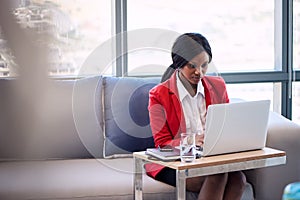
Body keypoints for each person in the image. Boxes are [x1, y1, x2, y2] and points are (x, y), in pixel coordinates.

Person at [145, 33, 246, 200]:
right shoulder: (159, 95)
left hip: (210, 158)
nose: (199, 72)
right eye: (192, 66)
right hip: (173, 162)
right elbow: (162, 143)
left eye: (204, 65)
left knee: (239, 179)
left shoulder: (218, 86)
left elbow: (226, 126)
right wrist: (192, 140)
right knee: (217, 175)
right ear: (179, 64)